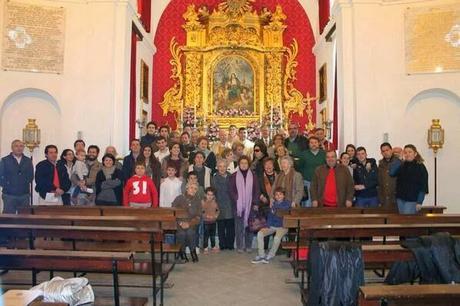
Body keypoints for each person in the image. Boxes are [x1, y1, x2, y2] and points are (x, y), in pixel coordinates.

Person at [229, 156, 260, 253]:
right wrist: (237, 199)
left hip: (250, 205)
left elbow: (256, 190)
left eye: (245, 163)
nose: (243, 165)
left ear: (248, 164)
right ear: (239, 164)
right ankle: (239, 246)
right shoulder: (233, 176)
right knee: (238, 227)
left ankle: (248, 245)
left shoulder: (253, 176)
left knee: (249, 227)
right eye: (242, 163)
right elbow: (231, 190)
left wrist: (255, 203)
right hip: (238, 206)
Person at [252, 187, 290, 264]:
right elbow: (270, 217)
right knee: (260, 233)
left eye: (280, 194)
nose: (278, 196)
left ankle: (270, 255)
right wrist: (267, 226)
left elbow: (282, 209)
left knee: (276, 238)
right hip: (272, 226)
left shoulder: (287, 203)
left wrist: (274, 205)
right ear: (274, 196)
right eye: (276, 195)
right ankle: (261, 255)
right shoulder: (273, 205)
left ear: (284, 196)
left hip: (283, 227)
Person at [390, 144, 428, 215]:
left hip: (412, 199)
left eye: (410, 152)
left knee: (407, 221)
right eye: (405, 152)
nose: (407, 154)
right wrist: (399, 159)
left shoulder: (420, 167)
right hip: (400, 198)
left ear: (415, 153)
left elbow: (423, 186)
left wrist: (419, 202)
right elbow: (392, 173)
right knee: (402, 221)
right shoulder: (402, 165)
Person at [0, 140, 34, 213]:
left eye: (21, 146)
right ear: (12, 148)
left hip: (24, 195)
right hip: (9, 195)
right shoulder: (5, 160)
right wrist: (8, 185)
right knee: (8, 218)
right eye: (16, 146)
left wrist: (23, 183)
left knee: (24, 218)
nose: (19, 148)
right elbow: (1, 176)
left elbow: (31, 176)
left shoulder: (28, 160)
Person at [172, 182, 201, 263]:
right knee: (181, 234)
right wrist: (180, 223)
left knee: (190, 232)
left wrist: (189, 224)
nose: (193, 190)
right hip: (179, 223)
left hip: (191, 224)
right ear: (187, 188)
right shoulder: (179, 198)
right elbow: (173, 212)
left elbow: (198, 216)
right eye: (191, 188)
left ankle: (193, 252)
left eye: (195, 189)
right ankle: (182, 252)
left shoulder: (198, 200)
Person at [212, 159, 235, 250]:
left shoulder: (232, 177)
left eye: (224, 166)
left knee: (230, 227)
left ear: (227, 167)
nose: (222, 168)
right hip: (219, 205)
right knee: (221, 227)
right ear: (217, 167)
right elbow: (213, 193)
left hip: (230, 205)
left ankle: (230, 245)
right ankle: (222, 245)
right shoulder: (214, 178)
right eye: (220, 166)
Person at [299, 137, 326, 207]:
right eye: (311, 143)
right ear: (308, 144)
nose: (313, 144)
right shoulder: (303, 154)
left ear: (318, 143)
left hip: (321, 183)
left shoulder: (324, 154)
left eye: (315, 142)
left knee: (321, 203)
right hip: (307, 182)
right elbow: (299, 167)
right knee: (307, 204)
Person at [378, 142, 398, 208]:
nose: (385, 152)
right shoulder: (380, 165)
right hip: (384, 199)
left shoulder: (398, 162)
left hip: (396, 198)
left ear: (391, 150)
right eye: (383, 151)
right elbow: (379, 183)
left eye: (387, 150)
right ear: (381, 153)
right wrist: (380, 199)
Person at [201, 187, 220, 254]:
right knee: (206, 235)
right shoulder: (203, 202)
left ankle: (213, 246)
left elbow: (217, 210)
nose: (210, 196)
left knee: (213, 235)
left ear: (213, 196)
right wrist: (206, 216)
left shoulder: (215, 202)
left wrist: (216, 215)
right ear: (205, 195)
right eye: (208, 194)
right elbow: (202, 212)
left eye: (211, 195)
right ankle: (205, 247)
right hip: (206, 222)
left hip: (213, 222)